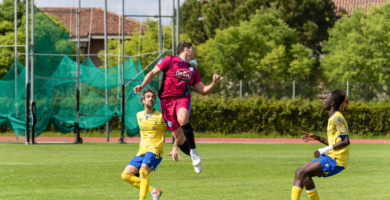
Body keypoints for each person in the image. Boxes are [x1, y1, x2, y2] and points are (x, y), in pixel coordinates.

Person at [134, 42, 221, 173]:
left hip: (182, 98)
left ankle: (194, 151)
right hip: (166, 102)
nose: (195, 52)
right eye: (193, 49)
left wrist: (213, 83)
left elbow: (203, 91)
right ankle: (192, 156)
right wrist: (142, 85)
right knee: (180, 140)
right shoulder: (169, 60)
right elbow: (152, 72)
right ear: (187, 49)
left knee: (182, 119)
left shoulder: (192, 70)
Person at [291, 89, 350, 200]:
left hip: (337, 160)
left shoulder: (337, 118)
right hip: (331, 156)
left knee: (302, 172)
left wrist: (324, 149)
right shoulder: (332, 118)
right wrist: (318, 138)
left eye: (326, 99)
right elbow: (335, 142)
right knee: (300, 173)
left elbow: (345, 141)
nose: (324, 101)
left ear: (332, 102)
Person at [121, 88, 166, 200]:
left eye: (153, 97)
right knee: (125, 175)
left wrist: (175, 147)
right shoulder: (139, 115)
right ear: (143, 101)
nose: (151, 98)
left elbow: (175, 130)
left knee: (143, 170)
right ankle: (154, 191)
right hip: (142, 151)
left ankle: (142, 198)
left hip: (155, 150)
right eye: (148, 97)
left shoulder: (161, 117)